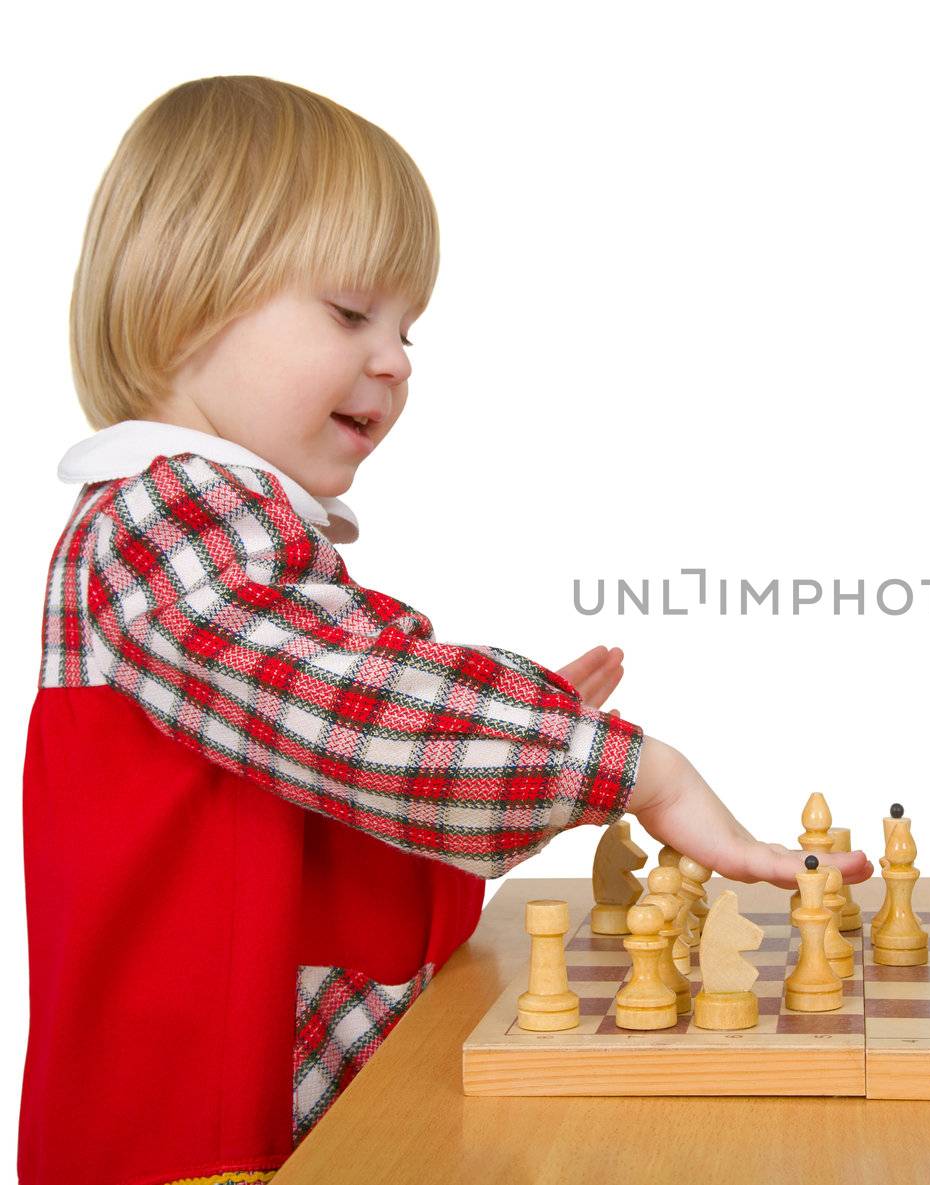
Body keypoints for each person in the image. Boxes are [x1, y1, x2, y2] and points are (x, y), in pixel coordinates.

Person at [20, 74, 870, 1185]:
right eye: (348, 313)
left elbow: (355, 740)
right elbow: (356, 718)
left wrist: (523, 718)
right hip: (193, 1145)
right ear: (187, 296)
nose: (397, 360)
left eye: (408, 328)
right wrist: (628, 771)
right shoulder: (166, 519)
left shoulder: (221, 535)